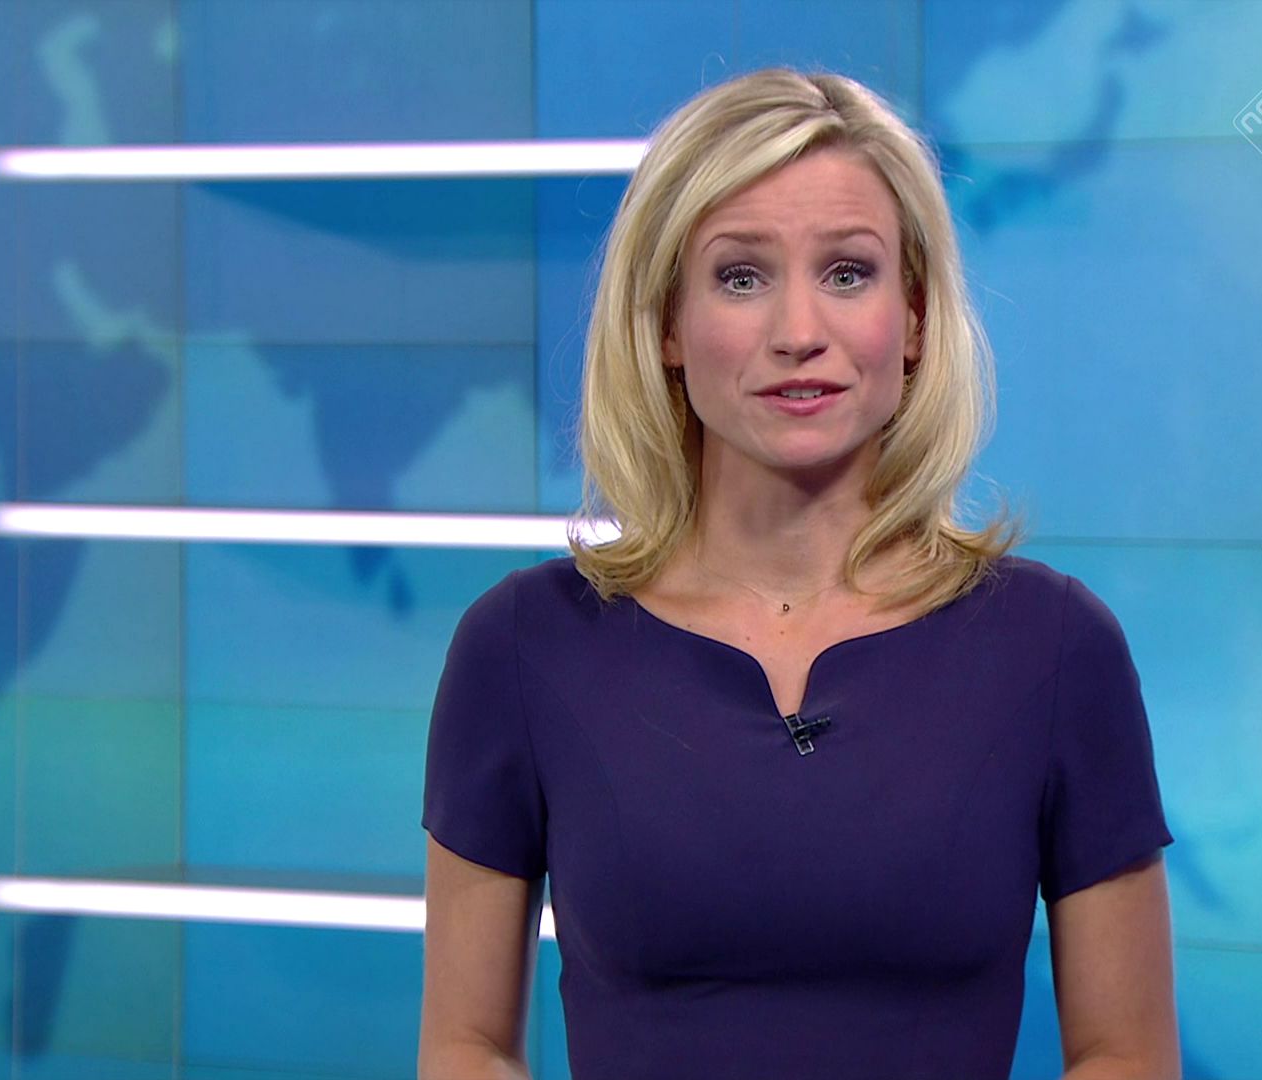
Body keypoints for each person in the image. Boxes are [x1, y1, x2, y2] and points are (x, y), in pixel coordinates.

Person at [419, 66, 1177, 1080]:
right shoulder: (524, 647)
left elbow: (1125, 1055)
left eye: (848, 273)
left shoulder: (1054, 648)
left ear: (914, 319)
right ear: (666, 325)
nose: (799, 333)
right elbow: (465, 1047)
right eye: (741, 277)